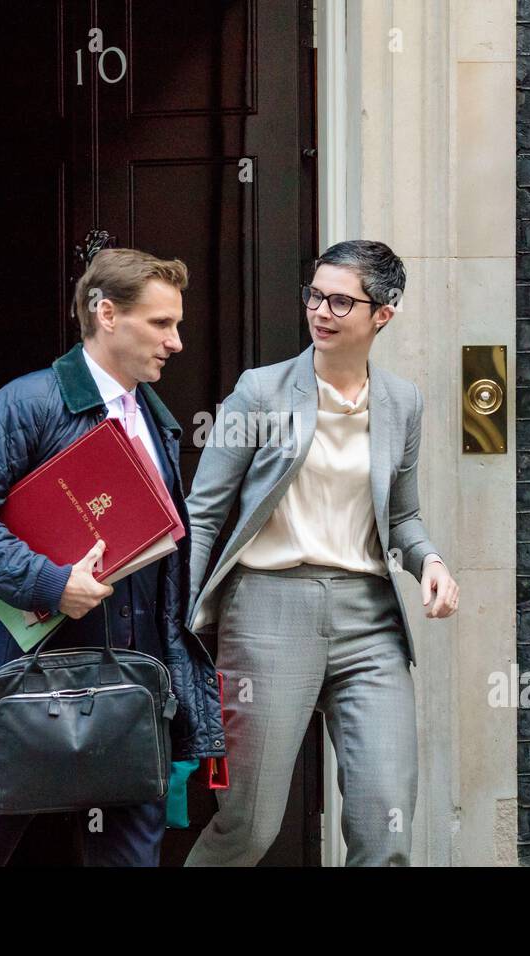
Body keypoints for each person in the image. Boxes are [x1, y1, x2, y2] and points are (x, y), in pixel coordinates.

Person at [0, 248, 227, 866]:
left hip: (133, 677)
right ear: (107, 314)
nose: (177, 342)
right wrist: (50, 582)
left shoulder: (155, 420)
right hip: (35, 672)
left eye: (177, 324)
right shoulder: (27, 403)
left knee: (130, 857)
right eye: (161, 324)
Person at [183, 240, 459, 866]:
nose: (321, 311)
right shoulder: (259, 392)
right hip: (267, 612)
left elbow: (403, 516)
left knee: (385, 827)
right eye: (315, 295)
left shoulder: (402, 402)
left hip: (371, 622)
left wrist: (431, 563)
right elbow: (203, 513)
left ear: (382, 313)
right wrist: (182, 622)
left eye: (341, 300)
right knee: (249, 828)